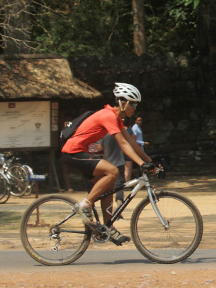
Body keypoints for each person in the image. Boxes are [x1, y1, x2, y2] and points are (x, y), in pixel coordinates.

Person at [61, 82, 152, 246]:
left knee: (109, 185)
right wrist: (141, 164)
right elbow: (123, 144)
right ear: (122, 103)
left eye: (136, 104)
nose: (134, 108)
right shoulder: (108, 115)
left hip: (82, 153)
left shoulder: (117, 119)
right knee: (112, 171)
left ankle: (108, 228)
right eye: (132, 104)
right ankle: (85, 205)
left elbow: (132, 143)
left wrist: (150, 162)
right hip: (72, 152)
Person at [96, 133, 127, 216]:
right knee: (119, 186)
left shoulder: (103, 134)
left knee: (108, 189)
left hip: (108, 164)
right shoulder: (119, 133)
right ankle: (119, 203)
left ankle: (108, 210)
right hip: (120, 163)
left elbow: (99, 147)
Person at [126, 116, 149, 187]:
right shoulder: (134, 128)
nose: (140, 121)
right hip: (136, 148)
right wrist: (143, 143)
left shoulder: (138, 128)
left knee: (138, 167)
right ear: (135, 121)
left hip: (140, 148)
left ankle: (142, 181)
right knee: (133, 167)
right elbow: (134, 140)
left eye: (141, 120)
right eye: (138, 120)